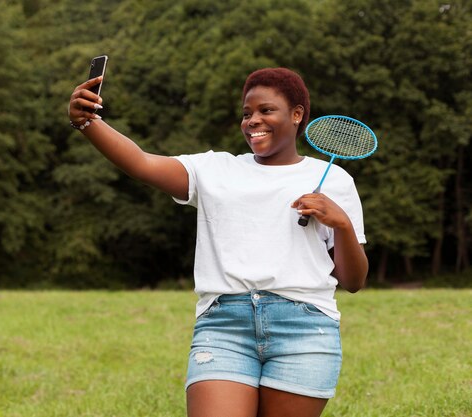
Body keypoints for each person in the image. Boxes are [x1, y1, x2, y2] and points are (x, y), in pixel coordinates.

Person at [68, 67, 368, 417]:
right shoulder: (215, 170)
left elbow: (353, 281)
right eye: (246, 113)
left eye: (265, 110)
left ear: (297, 115)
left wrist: (342, 224)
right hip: (224, 327)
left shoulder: (335, 181)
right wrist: (87, 123)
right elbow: (141, 163)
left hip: (304, 328)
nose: (252, 121)